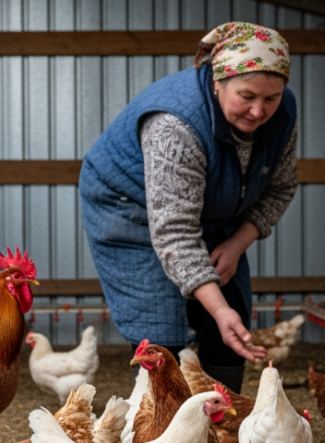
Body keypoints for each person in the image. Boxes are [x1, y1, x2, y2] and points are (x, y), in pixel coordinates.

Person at [80, 22, 299, 393]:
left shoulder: (283, 113)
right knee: (161, 327)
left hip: (212, 208)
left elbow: (280, 188)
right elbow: (176, 231)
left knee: (230, 318)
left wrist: (235, 245)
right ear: (217, 81)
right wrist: (217, 308)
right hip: (129, 206)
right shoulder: (175, 125)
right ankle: (161, 430)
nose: (258, 111)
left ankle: (222, 430)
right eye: (246, 96)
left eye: (271, 98)